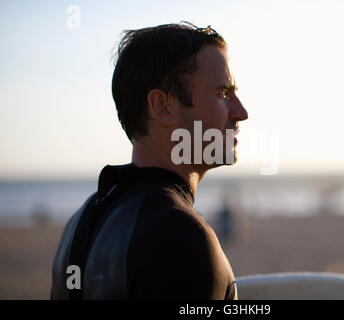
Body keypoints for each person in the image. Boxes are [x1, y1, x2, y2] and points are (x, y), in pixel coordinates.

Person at [51, 22, 248, 299]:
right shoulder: (181, 237)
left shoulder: (81, 222)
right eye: (223, 93)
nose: (241, 112)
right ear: (163, 107)